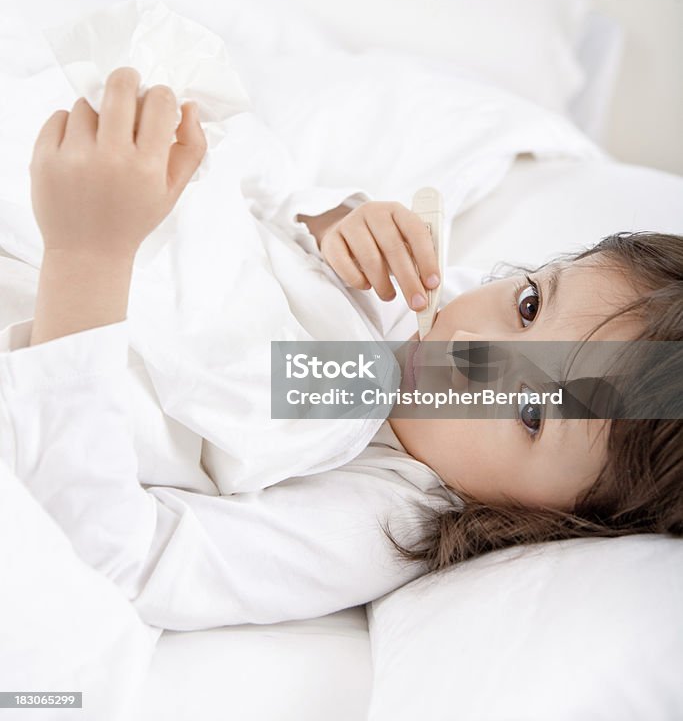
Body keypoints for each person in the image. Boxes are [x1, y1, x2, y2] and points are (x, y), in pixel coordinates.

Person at [0, 69, 681, 631]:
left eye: (532, 412)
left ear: (553, 520)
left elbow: (118, 558)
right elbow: (254, 243)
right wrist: (332, 225)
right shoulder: (438, 313)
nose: (472, 348)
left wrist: (86, 256)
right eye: (529, 304)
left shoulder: (381, 519)